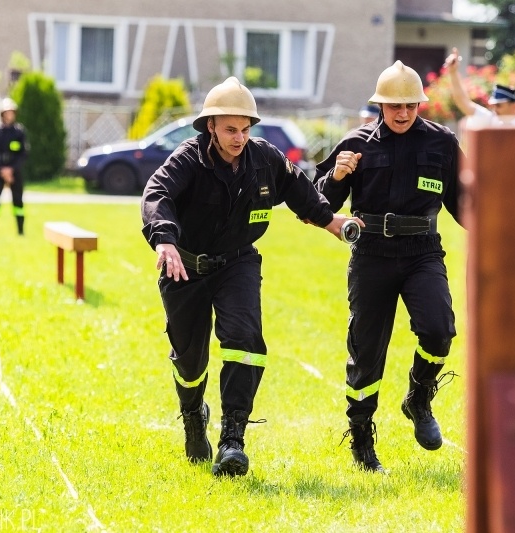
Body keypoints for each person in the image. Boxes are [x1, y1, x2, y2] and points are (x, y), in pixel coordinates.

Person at [140, 77, 362, 477]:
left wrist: (332, 222)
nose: (239, 138)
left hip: (237, 263)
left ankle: (232, 440)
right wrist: (164, 241)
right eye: (230, 129)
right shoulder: (188, 159)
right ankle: (193, 414)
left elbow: (301, 192)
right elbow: (158, 194)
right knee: (189, 360)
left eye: (245, 129)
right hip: (184, 266)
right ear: (211, 126)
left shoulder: (265, 158)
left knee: (245, 340)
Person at [314, 61, 463, 473]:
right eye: (393, 106)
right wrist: (336, 176)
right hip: (371, 255)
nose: (402, 113)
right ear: (380, 105)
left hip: (422, 251)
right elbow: (317, 202)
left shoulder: (443, 144)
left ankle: (418, 398)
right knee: (366, 351)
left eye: (410, 105)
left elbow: (469, 204)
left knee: (438, 328)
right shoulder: (356, 142)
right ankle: (362, 439)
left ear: (419, 103)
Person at [444, 47, 515, 127]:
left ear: (514, 106)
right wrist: (453, 72)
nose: (495, 110)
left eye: (499, 105)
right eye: (494, 106)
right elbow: (463, 102)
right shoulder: (490, 120)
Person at [0, 98, 28, 235]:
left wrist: (12, 169)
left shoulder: (19, 133)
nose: (9, 115)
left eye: (12, 112)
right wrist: (2, 170)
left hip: (15, 171)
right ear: (2, 114)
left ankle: (20, 230)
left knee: (18, 201)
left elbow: (23, 153)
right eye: (7, 112)